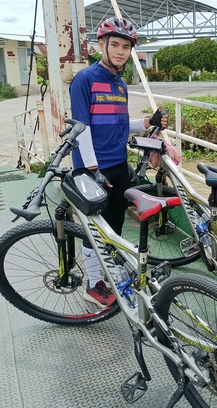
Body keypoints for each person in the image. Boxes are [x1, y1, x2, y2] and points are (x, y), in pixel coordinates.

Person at [69, 17, 168, 308]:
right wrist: (91, 169)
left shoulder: (120, 83)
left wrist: (148, 122)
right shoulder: (85, 79)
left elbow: (120, 124)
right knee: (95, 228)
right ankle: (93, 284)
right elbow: (81, 127)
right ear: (101, 45)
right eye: (115, 45)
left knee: (113, 222)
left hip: (117, 163)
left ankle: (108, 268)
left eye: (126, 47)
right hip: (93, 167)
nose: (121, 51)